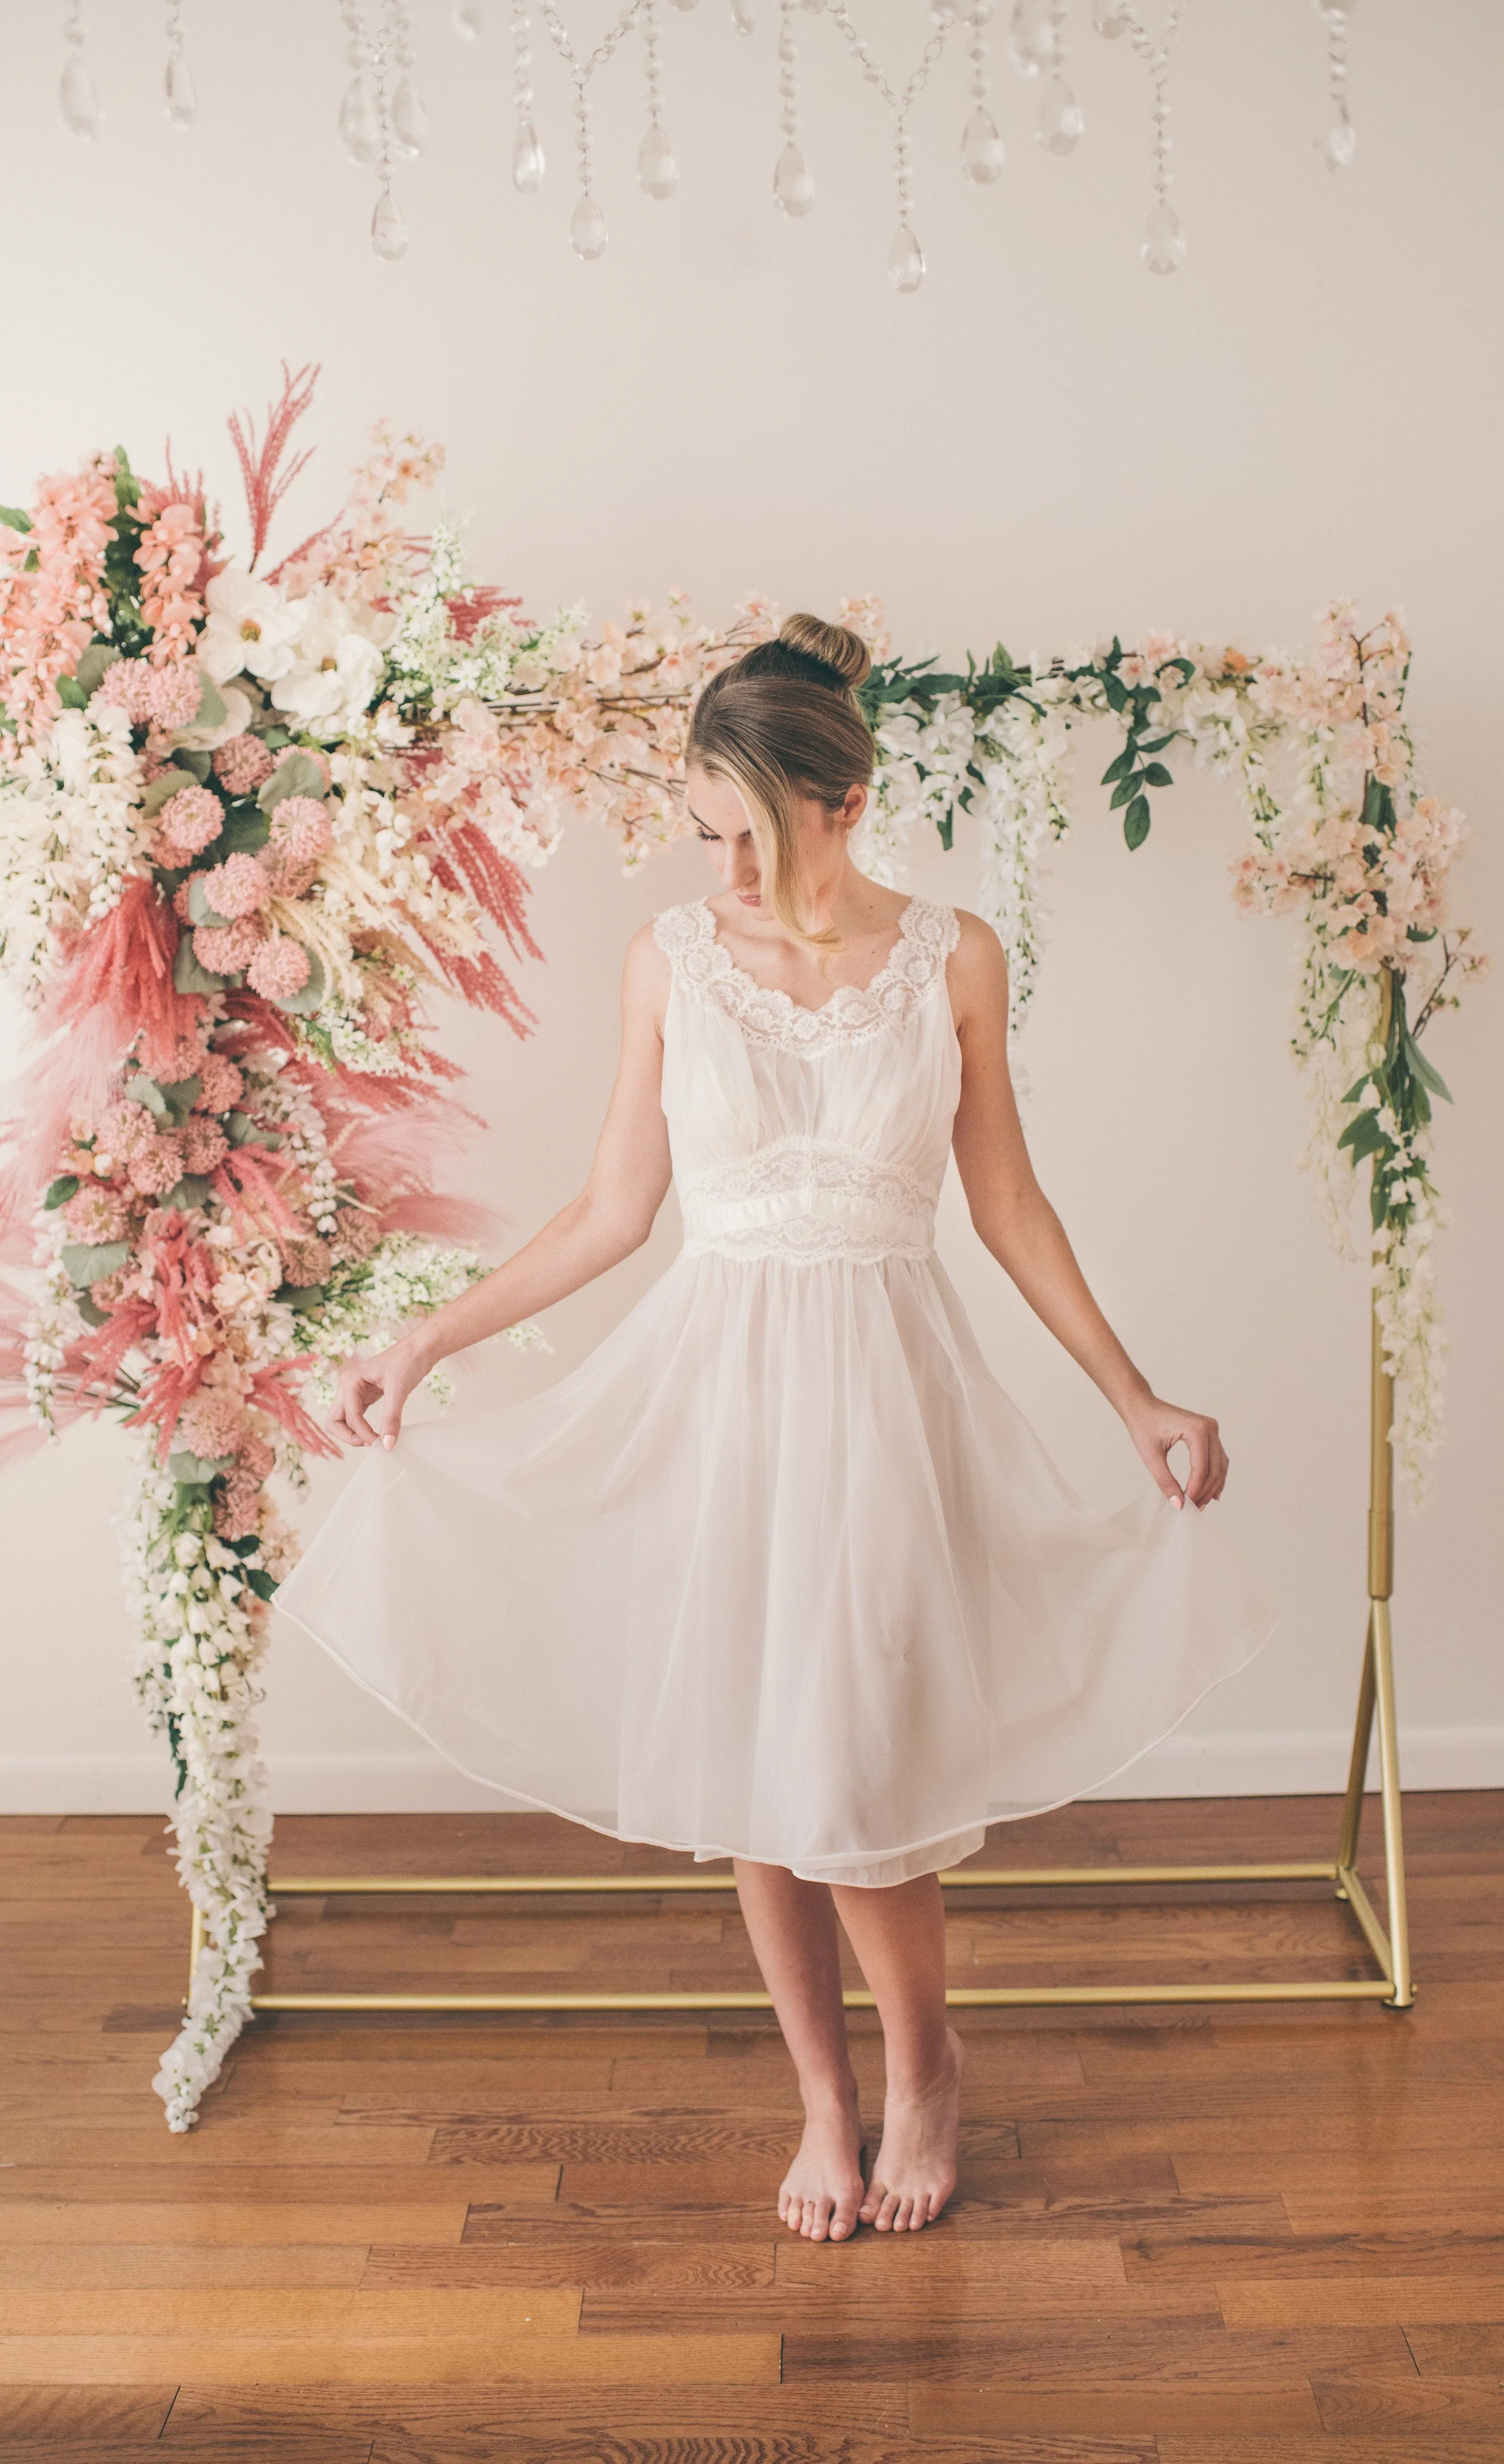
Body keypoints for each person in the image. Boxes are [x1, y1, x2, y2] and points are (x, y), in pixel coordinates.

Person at [274, 614, 1273, 2244]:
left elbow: (1005, 1202)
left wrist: (1132, 1394)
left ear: (839, 798)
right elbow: (612, 1209)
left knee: (859, 1740)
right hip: (719, 1393)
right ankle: (822, 2099)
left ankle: (926, 2064)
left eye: (744, 833)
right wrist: (423, 1337)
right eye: (703, 836)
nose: (722, 869)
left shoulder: (952, 959)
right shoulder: (669, 962)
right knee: (756, 1756)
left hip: (886, 1391)